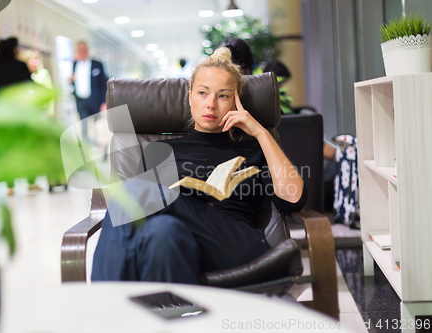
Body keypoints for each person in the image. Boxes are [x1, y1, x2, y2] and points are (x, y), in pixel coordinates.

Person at [91, 47, 307, 284]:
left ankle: (104, 306)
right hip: (179, 248)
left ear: (236, 102)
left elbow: (293, 199)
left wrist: (261, 134)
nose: (211, 104)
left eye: (223, 95)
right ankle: (168, 316)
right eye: (203, 93)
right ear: (190, 95)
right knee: (161, 230)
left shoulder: (253, 149)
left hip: (238, 247)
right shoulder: (159, 151)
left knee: (134, 192)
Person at [69, 41, 108, 140]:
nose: (81, 52)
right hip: (81, 100)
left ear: (87, 50)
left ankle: (99, 145)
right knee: (84, 126)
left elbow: (103, 84)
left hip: (95, 100)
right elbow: (73, 82)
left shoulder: (97, 64)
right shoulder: (75, 64)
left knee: (97, 126)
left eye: (82, 49)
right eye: (79, 50)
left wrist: (104, 102)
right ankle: (86, 147)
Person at [21, 49, 55, 118]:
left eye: (37, 60)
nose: (35, 62)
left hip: (41, 110)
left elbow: (50, 94)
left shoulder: (43, 73)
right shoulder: (23, 75)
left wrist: (51, 112)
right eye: (33, 60)